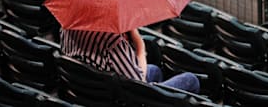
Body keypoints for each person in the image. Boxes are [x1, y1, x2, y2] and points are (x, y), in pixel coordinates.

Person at [60, 28, 200, 94]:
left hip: (86, 88)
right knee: (191, 79)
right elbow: (139, 83)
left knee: (155, 70)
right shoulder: (112, 41)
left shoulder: (66, 27)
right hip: (121, 96)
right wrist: (140, 47)